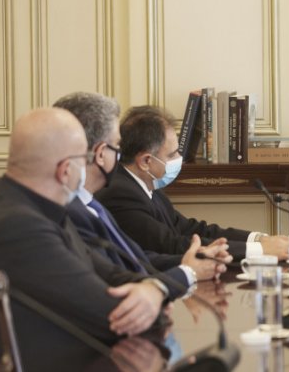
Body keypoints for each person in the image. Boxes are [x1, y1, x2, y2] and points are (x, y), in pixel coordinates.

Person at [0, 108, 167, 369]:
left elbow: (112, 273)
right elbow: (111, 315)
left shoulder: (43, 207)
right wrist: (156, 300)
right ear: (65, 170)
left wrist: (153, 288)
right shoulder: (18, 225)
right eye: (85, 159)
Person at [54, 92, 231, 292]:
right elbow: (109, 277)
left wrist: (197, 261)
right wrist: (186, 273)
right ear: (101, 153)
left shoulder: (92, 205)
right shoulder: (79, 208)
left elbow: (133, 258)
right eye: (117, 145)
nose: (121, 154)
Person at [96, 105, 289, 261]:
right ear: (146, 161)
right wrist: (259, 250)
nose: (180, 159)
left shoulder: (148, 185)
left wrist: (258, 239)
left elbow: (191, 229)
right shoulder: (120, 194)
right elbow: (172, 245)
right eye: (172, 154)